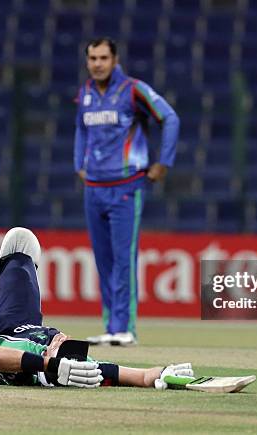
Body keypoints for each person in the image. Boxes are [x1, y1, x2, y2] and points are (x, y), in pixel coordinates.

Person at [0, 227, 194, 389]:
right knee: (21, 249)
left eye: (62, 351)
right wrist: (154, 375)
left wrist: (47, 363)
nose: (63, 342)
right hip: (15, 322)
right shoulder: (66, 359)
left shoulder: (40, 367)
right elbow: (111, 370)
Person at [74, 37, 180, 346]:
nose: (97, 64)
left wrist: (163, 163)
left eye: (103, 58)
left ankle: (125, 328)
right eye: (92, 58)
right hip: (93, 188)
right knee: (103, 259)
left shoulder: (133, 89)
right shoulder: (86, 93)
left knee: (123, 259)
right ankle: (111, 326)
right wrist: (78, 164)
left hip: (125, 186)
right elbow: (81, 129)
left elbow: (170, 118)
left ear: (115, 59)